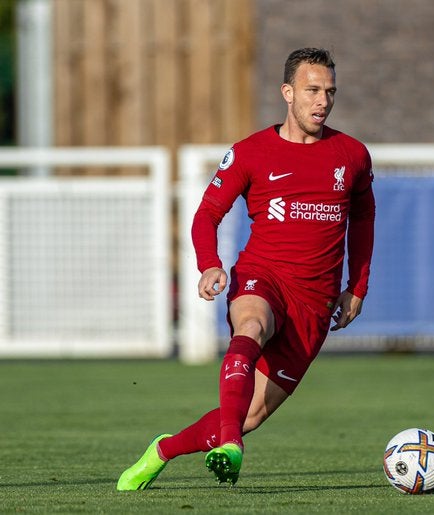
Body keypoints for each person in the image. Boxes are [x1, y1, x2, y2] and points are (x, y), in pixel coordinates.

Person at [117, 47, 375, 490]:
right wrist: (209, 266)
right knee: (250, 327)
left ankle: (163, 449)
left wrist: (357, 287)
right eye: (312, 90)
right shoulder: (251, 152)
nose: (322, 101)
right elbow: (206, 215)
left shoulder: (352, 155)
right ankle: (232, 448)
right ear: (287, 93)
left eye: (330, 92)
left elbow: (364, 220)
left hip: (314, 301)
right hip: (262, 276)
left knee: (249, 414)